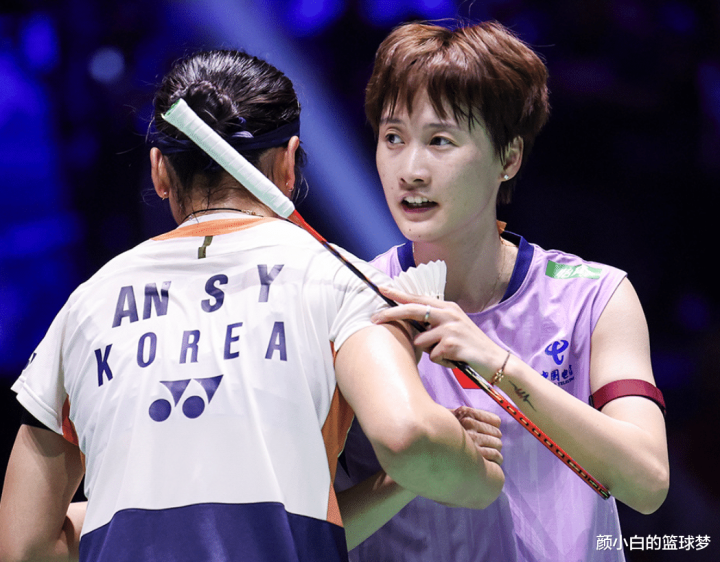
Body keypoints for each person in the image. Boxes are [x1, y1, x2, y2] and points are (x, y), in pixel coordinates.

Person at [0, 49, 505, 562]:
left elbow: (24, 547)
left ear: (159, 171)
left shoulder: (85, 306)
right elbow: (409, 437)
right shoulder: (342, 281)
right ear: (288, 163)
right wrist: (475, 468)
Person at [335, 21, 669, 561]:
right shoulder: (347, 304)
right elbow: (301, 539)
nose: (410, 170)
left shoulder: (594, 298)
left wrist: (496, 362)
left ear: (508, 158)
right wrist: (422, 466)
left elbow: (648, 482)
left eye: (440, 141)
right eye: (393, 138)